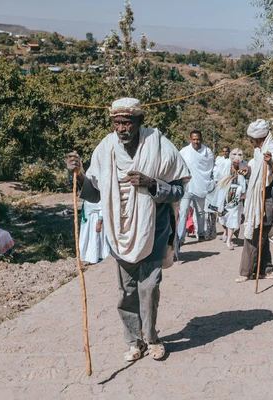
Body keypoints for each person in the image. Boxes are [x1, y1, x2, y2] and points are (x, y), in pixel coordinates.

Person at [65, 97, 190, 363]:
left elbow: (179, 189)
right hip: (120, 232)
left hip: (154, 231)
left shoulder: (159, 146)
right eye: (117, 122)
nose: (122, 128)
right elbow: (94, 193)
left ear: (139, 122)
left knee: (150, 287)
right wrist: (77, 176)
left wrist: (151, 182)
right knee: (126, 291)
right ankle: (134, 341)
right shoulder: (106, 149)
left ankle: (152, 338)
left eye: (127, 122)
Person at [237, 119, 273, 283]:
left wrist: (272, 166)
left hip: (269, 199)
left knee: (254, 233)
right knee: (259, 233)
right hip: (257, 197)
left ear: (258, 138)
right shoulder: (259, 152)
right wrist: (248, 171)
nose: (250, 141)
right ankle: (266, 270)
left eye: (251, 139)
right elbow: (257, 172)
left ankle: (246, 271)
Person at [178, 130, 215, 243]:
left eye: (198, 139)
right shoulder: (184, 151)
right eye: (193, 139)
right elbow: (179, 166)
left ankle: (201, 234)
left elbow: (210, 168)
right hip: (187, 187)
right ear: (190, 139)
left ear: (201, 139)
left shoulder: (207, 152)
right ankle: (180, 237)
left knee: (200, 212)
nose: (196, 141)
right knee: (183, 212)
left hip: (201, 186)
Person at [208, 148, 247, 250]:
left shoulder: (243, 166)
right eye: (234, 162)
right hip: (224, 194)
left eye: (237, 162)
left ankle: (229, 239)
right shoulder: (225, 165)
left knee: (233, 217)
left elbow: (244, 181)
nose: (236, 164)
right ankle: (225, 231)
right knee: (222, 216)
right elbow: (218, 177)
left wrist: (242, 194)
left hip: (236, 196)